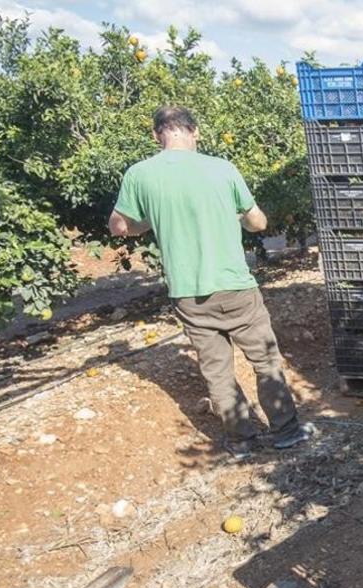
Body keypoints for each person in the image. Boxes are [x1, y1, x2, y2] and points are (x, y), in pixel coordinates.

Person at [108, 105, 312, 455]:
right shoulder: (222, 169)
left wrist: (152, 221)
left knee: (217, 370)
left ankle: (242, 441)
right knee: (264, 361)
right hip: (235, 286)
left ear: (157, 135)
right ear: (195, 131)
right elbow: (259, 223)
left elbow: (119, 226)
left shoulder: (139, 175)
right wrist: (241, 218)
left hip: (188, 291)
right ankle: (286, 432)